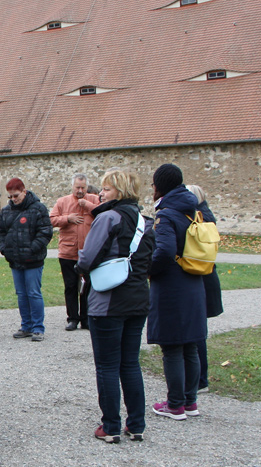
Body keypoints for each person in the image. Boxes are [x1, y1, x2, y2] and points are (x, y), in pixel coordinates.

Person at [76, 170, 155, 443]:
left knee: (107, 366)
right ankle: (137, 424)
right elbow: (150, 261)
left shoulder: (108, 218)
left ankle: (110, 425)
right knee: (130, 364)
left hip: (109, 302)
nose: (101, 194)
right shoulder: (145, 222)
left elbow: (88, 258)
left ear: (120, 191)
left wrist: (80, 268)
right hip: (137, 300)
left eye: (107, 189)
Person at [147, 164, 207, 421]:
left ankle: (175, 404)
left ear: (160, 186)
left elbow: (165, 250)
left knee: (172, 346)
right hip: (193, 281)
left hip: (171, 285)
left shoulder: (167, 214)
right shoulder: (193, 210)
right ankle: (190, 401)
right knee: (190, 345)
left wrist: (149, 270)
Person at [0, 178, 53, 341]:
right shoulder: (6, 211)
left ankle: (38, 327)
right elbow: (1, 232)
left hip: (33, 260)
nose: (13, 199)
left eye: (16, 196)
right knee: (21, 294)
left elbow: (45, 232)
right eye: (10, 197)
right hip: (15, 260)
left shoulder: (38, 208)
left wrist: (32, 249)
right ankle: (26, 326)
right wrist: (4, 249)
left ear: (24, 192)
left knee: (33, 293)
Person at [185, 184, 224, 394]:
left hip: (200, 276)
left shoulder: (199, 218)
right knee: (197, 331)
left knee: (196, 333)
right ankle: (197, 378)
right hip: (206, 276)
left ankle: (199, 379)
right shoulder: (206, 217)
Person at [49, 173, 100, 330]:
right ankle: (72, 318)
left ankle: (86, 318)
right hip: (68, 252)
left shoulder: (94, 200)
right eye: (77, 187)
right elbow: (51, 220)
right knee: (70, 286)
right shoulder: (62, 202)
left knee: (87, 287)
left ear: (87, 187)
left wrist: (88, 205)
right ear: (72, 186)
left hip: (88, 252)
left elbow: (104, 212)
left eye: (83, 188)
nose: (80, 190)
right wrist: (67, 219)